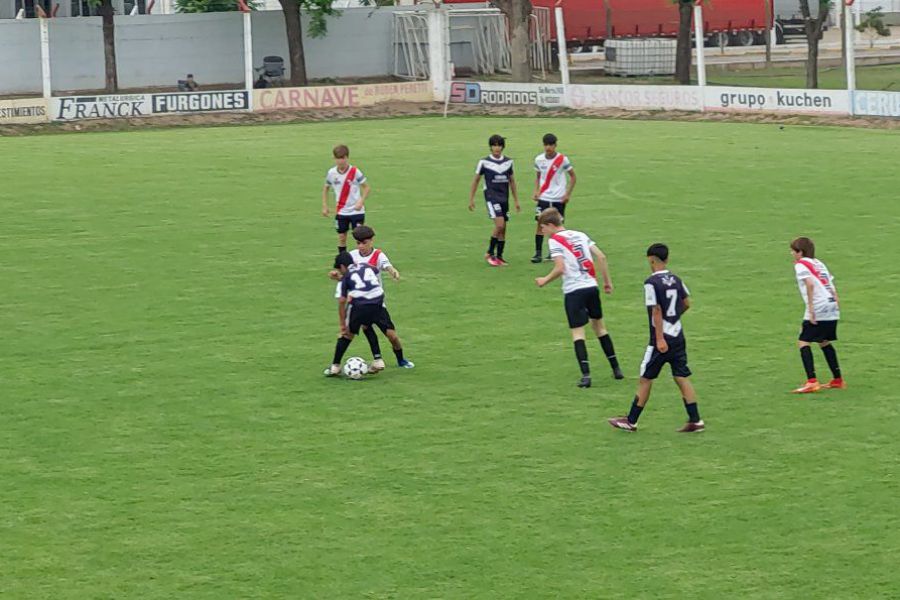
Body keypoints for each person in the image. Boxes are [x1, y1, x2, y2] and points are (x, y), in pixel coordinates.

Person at [608, 243, 704, 433]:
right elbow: (686, 303)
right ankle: (695, 420)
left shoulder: (651, 283)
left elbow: (656, 310)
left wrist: (659, 338)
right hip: (678, 335)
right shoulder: (676, 279)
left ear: (651, 259)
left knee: (646, 378)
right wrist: (674, 318)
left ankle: (631, 421)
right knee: (681, 376)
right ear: (667, 259)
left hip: (661, 340)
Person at [534, 208, 622, 387]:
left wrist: (544, 280)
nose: (542, 232)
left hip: (574, 290)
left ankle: (586, 376)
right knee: (600, 328)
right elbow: (602, 257)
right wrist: (607, 282)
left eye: (542, 228)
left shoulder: (555, 241)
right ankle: (616, 369)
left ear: (551, 225)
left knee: (578, 332)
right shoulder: (580, 234)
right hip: (591, 287)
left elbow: (560, 268)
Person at [343, 225, 414, 369]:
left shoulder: (378, 255)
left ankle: (401, 359)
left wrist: (393, 271)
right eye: (358, 243)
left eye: (364, 243)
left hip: (377, 304)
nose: (361, 246)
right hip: (361, 303)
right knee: (366, 328)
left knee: (392, 336)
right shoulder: (352, 256)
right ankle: (377, 359)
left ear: (372, 241)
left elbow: (387, 266)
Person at [789, 237, 844, 393]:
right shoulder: (819, 263)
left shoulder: (801, 265)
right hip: (831, 303)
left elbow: (810, 284)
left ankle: (811, 381)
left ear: (800, 252)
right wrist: (837, 302)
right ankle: (837, 379)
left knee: (803, 341)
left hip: (818, 305)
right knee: (823, 340)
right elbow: (829, 283)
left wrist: (811, 309)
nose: (792, 253)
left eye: (793, 251)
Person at [324, 253, 386, 377]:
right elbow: (369, 273)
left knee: (347, 334)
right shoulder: (365, 266)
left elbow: (342, 301)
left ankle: (335, 367)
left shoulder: (346, 277)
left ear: (342, 266)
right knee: (367, 325)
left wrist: (342, 324)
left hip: (361, 304)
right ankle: (378, 360)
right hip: (378, 300)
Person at [468, 134, 520, 266]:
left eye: (499, 145)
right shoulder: (484, 162)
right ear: (490, 147)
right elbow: (476, 181)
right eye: (494, 145)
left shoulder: (508, 162)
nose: (496, 148)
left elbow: (512, 182)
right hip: (492, 197)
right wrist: (471, 199)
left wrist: (516, 200)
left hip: (504, 197)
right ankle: (489, 252)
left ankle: (500, 256)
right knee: (499, 224)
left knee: (504, 229)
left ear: (502, 147)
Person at [532, 133, 576, 263]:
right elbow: (538, 176)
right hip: (544, 196)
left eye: (551, 145)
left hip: (558, 198)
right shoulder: (539, 159)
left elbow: (573, 177)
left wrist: (567, 193)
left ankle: (555, 252)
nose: (548, 147)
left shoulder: (562, 159)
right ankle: (538, 253)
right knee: (540, 223)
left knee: (557, 225)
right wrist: (536, 191)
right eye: (546, 145)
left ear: (555, 145)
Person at [322, 144, 371, 253]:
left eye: (343, 158)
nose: (341, 161)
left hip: (356, 211)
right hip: (342, 211)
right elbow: (326, 189)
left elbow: (366, 188)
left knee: (359, 237)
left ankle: (362, 259)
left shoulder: (355, 171)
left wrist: (361, 201)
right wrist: (325, 206)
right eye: (338, 158)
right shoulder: (331, 173)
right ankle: (343, 261)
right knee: (342, 237)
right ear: (334, 159)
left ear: (347, 158)